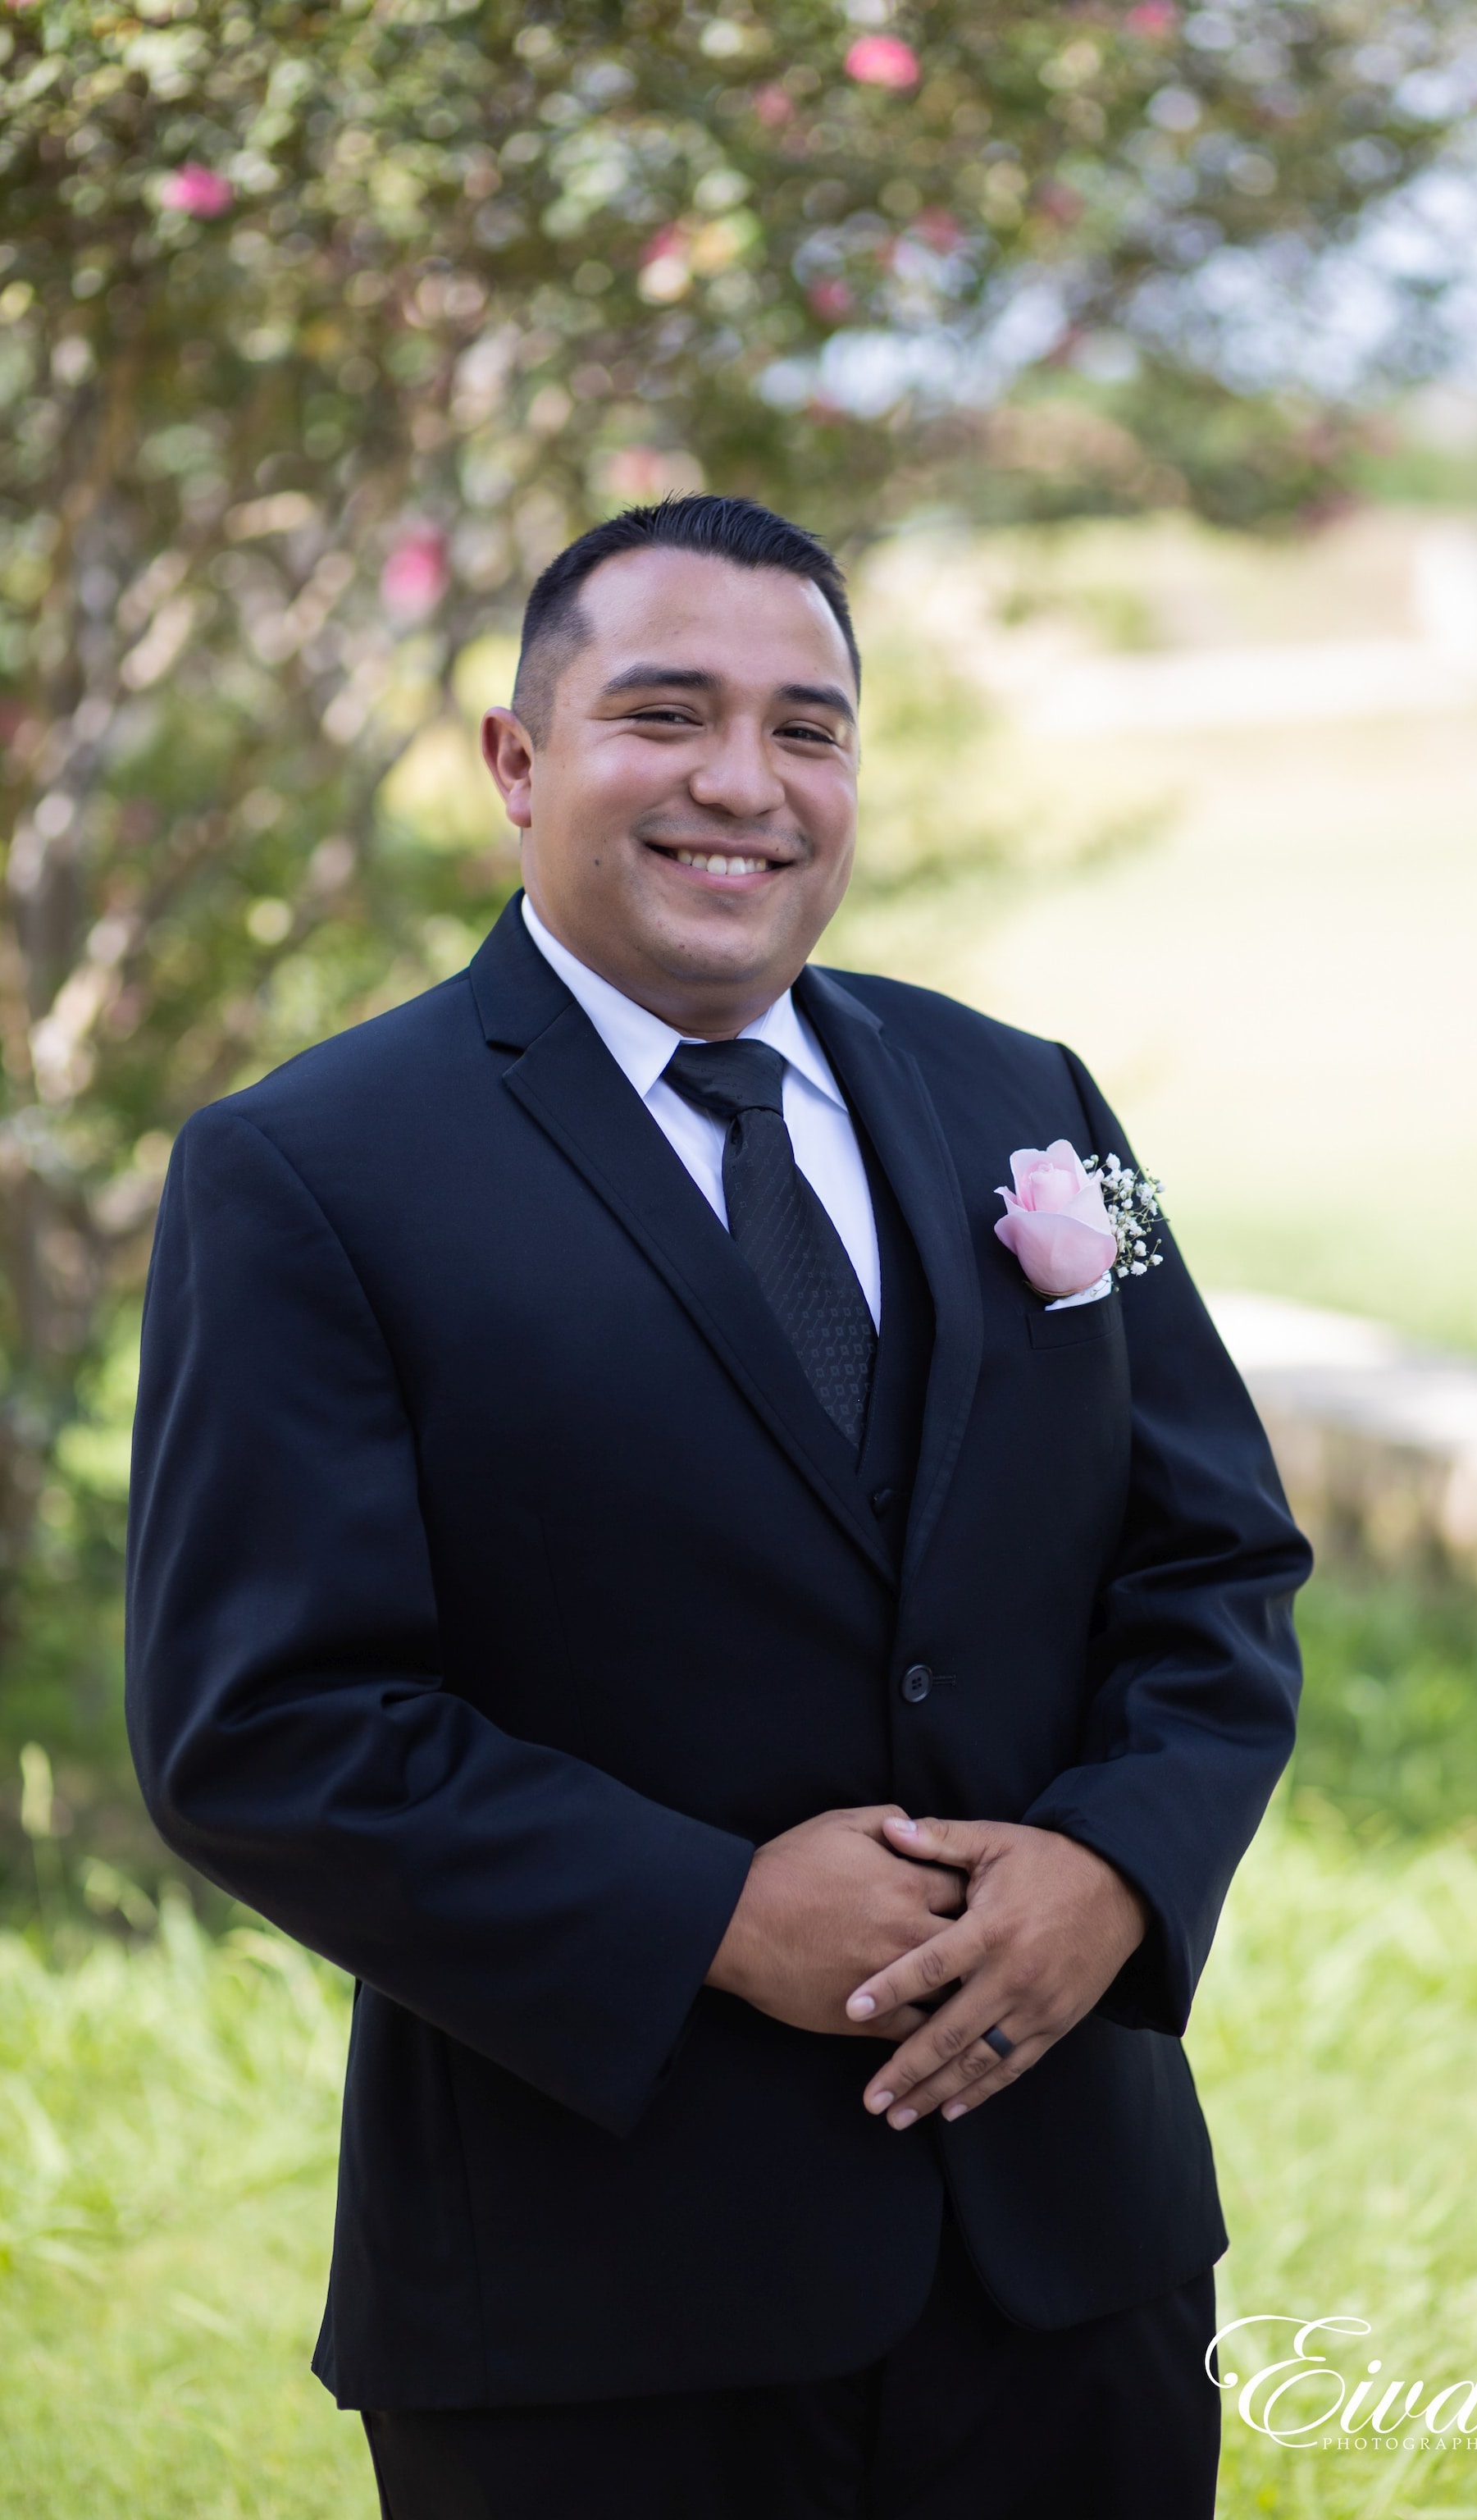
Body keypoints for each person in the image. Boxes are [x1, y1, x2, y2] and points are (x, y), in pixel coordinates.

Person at [126, 494, 1310, 2520]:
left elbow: (1216, 1559)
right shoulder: (306, 1170)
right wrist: (713, 1916)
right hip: (599, 2300)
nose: (743, 785)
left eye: (806, 729)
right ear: (518, 762)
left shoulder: (1031, 1100)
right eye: (665, 715)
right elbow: (268, 1728)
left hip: (1071, 2262)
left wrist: (1116, 1869)